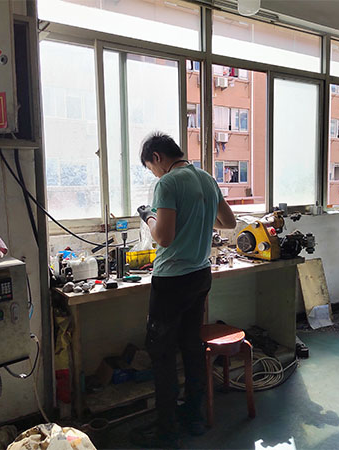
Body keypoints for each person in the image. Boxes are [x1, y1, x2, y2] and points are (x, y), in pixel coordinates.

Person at [132, 132, 236, 448]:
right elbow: (228, 222)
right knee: (191, 347)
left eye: (151, 168)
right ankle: (194, 418)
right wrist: (198, 222)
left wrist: (149, 216)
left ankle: (167, 431)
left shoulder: (168, 183)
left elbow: (163, 237)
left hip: (171, 281)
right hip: (200, 276)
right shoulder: (206, 179)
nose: (155, 174)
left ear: (157, 157)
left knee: (162, 353)